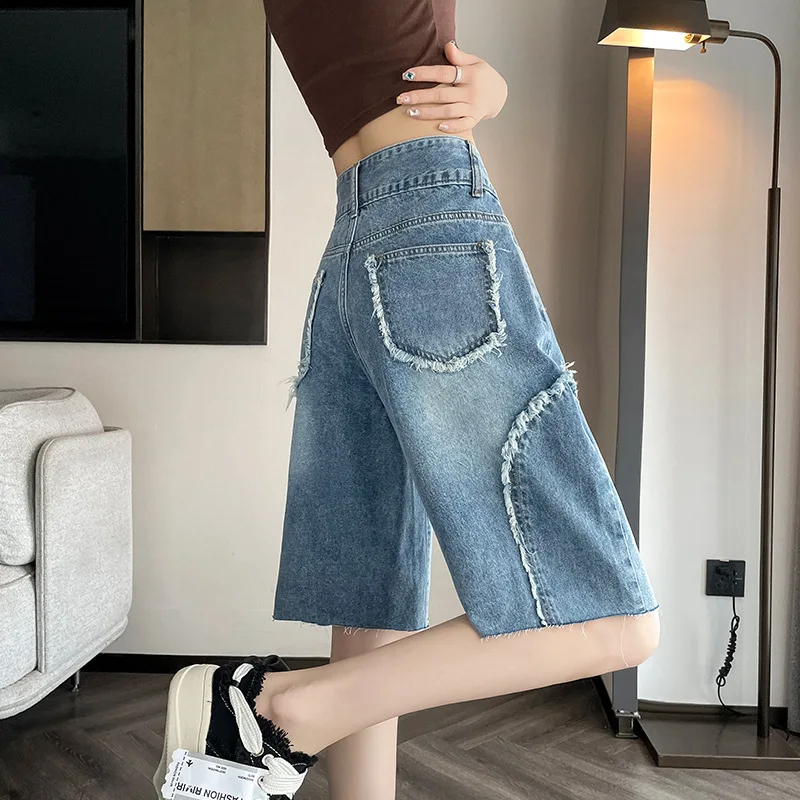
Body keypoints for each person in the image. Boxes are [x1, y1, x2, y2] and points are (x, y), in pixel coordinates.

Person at [153, 3, 661, 799]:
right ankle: (272, 712)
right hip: (430, 216)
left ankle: (273, 720)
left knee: (370, 607)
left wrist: (486, 90)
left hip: (355, 240)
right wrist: (493, 92)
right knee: (610, 621)